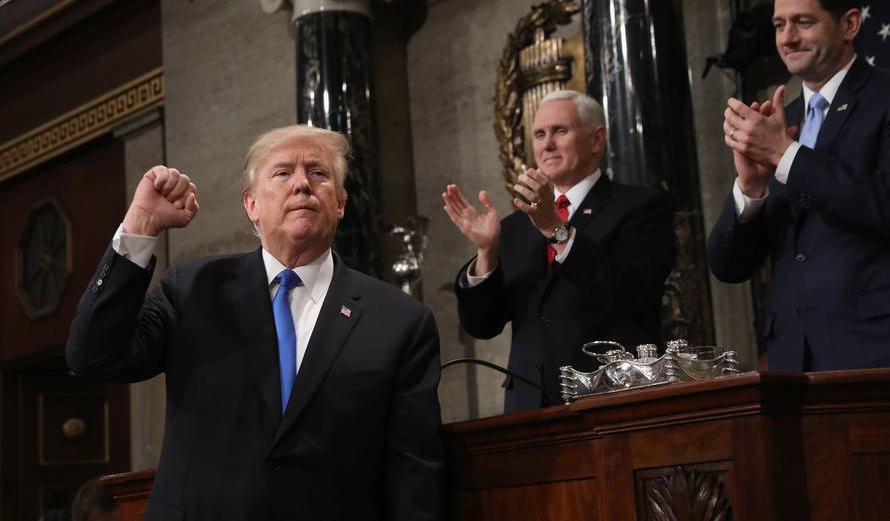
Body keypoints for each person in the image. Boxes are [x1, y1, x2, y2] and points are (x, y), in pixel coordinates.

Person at [67, 126, 444, 520]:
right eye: (282, 173)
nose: (302, 184)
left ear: (341, 204)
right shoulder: (194, 289)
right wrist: (140, 225)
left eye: (318, 173)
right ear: (251, 205)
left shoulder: (399, 322)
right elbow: (92, 355)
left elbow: (414, 473)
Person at [443, 90, 676, 413]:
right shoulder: (514, 227)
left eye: (559, 131)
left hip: (612, 402)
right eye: (539, 134)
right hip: (529, 409)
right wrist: (486, 253)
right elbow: (483, 325)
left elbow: (634, 293)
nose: (547, 144)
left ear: (597, 139)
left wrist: (557, 229)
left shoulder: (641, 207)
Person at [709, 0, 890, 371]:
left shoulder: (883, 98)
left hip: (875, 355)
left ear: (849, 25)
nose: (787, 39)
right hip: (793, 363)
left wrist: (785, 156)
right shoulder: (780, 121)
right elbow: (728, 266)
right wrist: (750, 189)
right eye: (778, 25)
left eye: (803, 22)